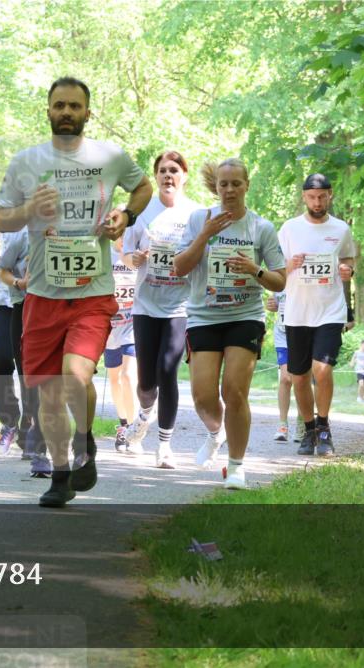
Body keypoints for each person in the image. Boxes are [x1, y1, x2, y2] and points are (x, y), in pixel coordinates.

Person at [0, 76, 152, 507]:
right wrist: (31, 208)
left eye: (74, 106)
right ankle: (61, 474)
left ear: (88, 112)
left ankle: (85, 441)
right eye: (59, 105)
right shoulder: (26, 161)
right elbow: (4, 219)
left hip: (92, 293)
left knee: (75, 376)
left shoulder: (109, 157)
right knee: (48, 393)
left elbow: (143, 187)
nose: (66, 112)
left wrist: (126, 215)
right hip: (42, 296)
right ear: (48, 110)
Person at [172, 158, 286, 490]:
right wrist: (204, 236)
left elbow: (280, 281)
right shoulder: (199, 219)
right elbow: (179, 267)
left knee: (233, 391)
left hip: (244, 316)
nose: (230, 190)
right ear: (216, 187)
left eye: (236, 184)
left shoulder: (261, 228)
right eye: (224, 184)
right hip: (204, 316)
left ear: (246, 186)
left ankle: (236, 466)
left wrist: (255, 270)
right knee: (202, 396)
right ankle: (215, 432)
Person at [122, 150, 200, 467]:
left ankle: (164, 446)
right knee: (146, 382)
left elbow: (203, 255)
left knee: (168, 372)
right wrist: (134, 258)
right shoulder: (142, 211)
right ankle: (144, 415)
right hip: (145, 305)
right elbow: (126, 253)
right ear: (155, 176)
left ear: (184, 176)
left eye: (174, 170)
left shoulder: (196, 214)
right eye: (163, 171)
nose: (168, 175)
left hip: (179, 306)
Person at [278, 173, 356, 456]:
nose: (317, 202)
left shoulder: (341, 229)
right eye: (312, 197)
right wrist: (291, 264)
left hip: (330, 310)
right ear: (304, 197)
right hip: (297, 312)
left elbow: (347, 259)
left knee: (322, 369)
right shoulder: (289, 228)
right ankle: (309, 430)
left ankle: (324, 427)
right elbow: (276, 267)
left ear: (330, 195)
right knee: (299, 377)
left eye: (322, 196)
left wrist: (348, 270)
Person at [0, 232, 52, 476]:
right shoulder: (22, 236)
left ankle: (39, 438)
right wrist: (20, 283)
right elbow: (2, 272)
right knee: (27, 373)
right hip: (23, 308)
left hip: (55, 308)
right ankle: (30, 425)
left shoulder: (67, 233)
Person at [0, 204, 24, 456]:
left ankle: (31, 429)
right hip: (6, 296)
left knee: (28, 366)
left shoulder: (43, 203)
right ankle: (9, 423)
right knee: (1, 361)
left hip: (36, 296)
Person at [105, 237, 139, 453]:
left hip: (132, 323)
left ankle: (135, 432)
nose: (123, 238)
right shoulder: (104, 255)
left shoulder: (137, 256)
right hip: (110, 327)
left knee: (127, 376)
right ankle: (124, 425)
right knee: (115, 379)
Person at [266, 292, 294, 440]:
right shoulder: (281, 279)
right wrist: (272, 305)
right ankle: (283, 425)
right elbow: (274, 302)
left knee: (302, 379)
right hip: (283, 334)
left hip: (305, 332)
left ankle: (303, 423)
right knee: (285, 378)